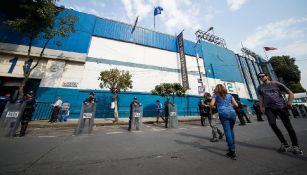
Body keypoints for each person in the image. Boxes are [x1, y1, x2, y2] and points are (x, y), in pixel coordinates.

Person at [257, 72, 303, 155]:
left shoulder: (276, 84)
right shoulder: (260, 87)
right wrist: (261, 107)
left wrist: (289, 102)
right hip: (269, 108)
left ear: (267, 76)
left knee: (288, 126)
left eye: (262, 76)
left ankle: (295, 146)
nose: (261, 78)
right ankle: (284, 144)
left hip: (281, 107)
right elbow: (261, 97)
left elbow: (290, 93)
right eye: (259, 77)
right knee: (272, 124)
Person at [210, 84, 238, 159]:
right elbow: (236, 105)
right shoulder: (229, 95)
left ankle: (232, 150)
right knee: (231, 130)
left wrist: (217, 106)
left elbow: (211, 104)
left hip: (223, 113)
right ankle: (233, 147)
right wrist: (229, 106)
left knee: (227, 131)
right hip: (232, 113)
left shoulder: (215, 95)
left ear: (216, 89)